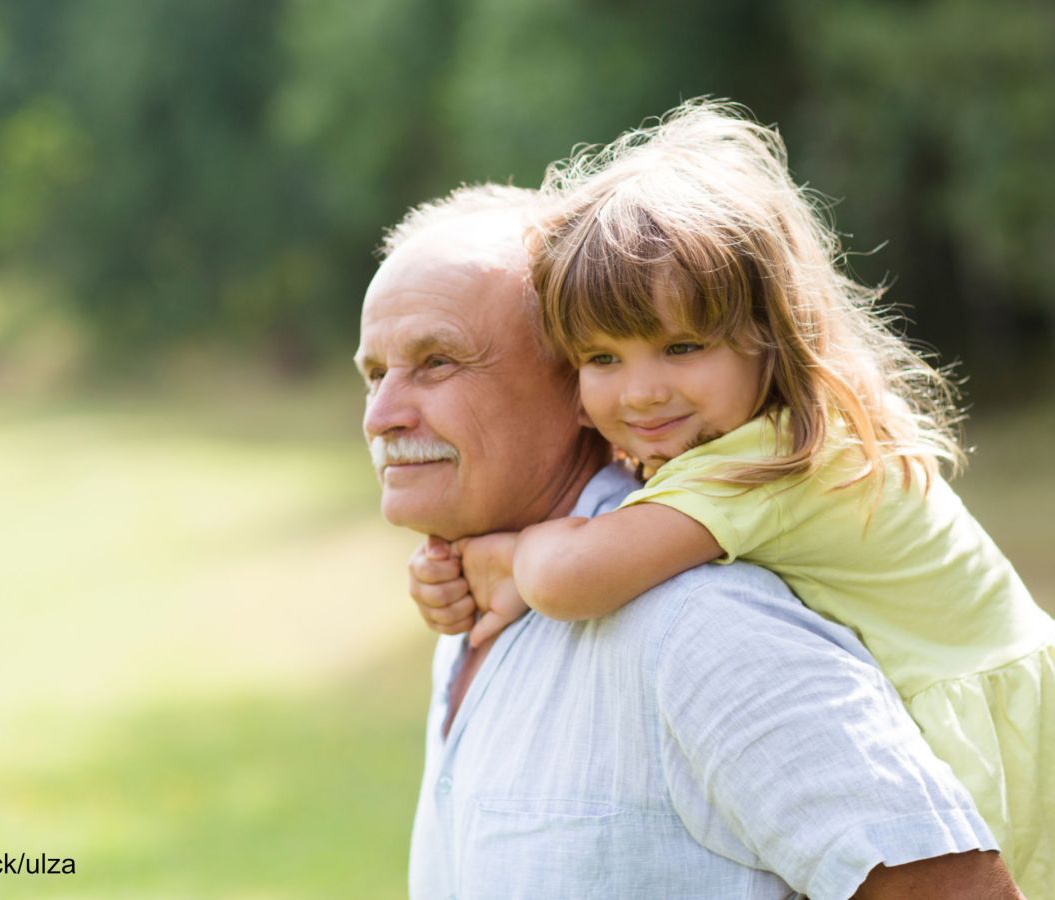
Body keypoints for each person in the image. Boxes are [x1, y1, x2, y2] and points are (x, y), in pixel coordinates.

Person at [411, 101, 1053, 896]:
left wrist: (509, 555)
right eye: (602, 357)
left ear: (771, 334)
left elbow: (573, 579)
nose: (642, 392)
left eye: (682, 347)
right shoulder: (742, 436)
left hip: (994, 731)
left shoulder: (765, 463)